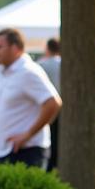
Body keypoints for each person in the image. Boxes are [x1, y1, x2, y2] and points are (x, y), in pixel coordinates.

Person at [0, 27, 61, 169]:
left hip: (26, 152)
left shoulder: (28, 72)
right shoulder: (6, 71)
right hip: (8, 151)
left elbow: (53, 103)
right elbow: (2, 104)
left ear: (15, 48)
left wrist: (27, 134)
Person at [38, 40, 62, 170]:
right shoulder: (65, 64)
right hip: (64, 110)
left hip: (47, 107)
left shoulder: (41, 65)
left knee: (50, 138)